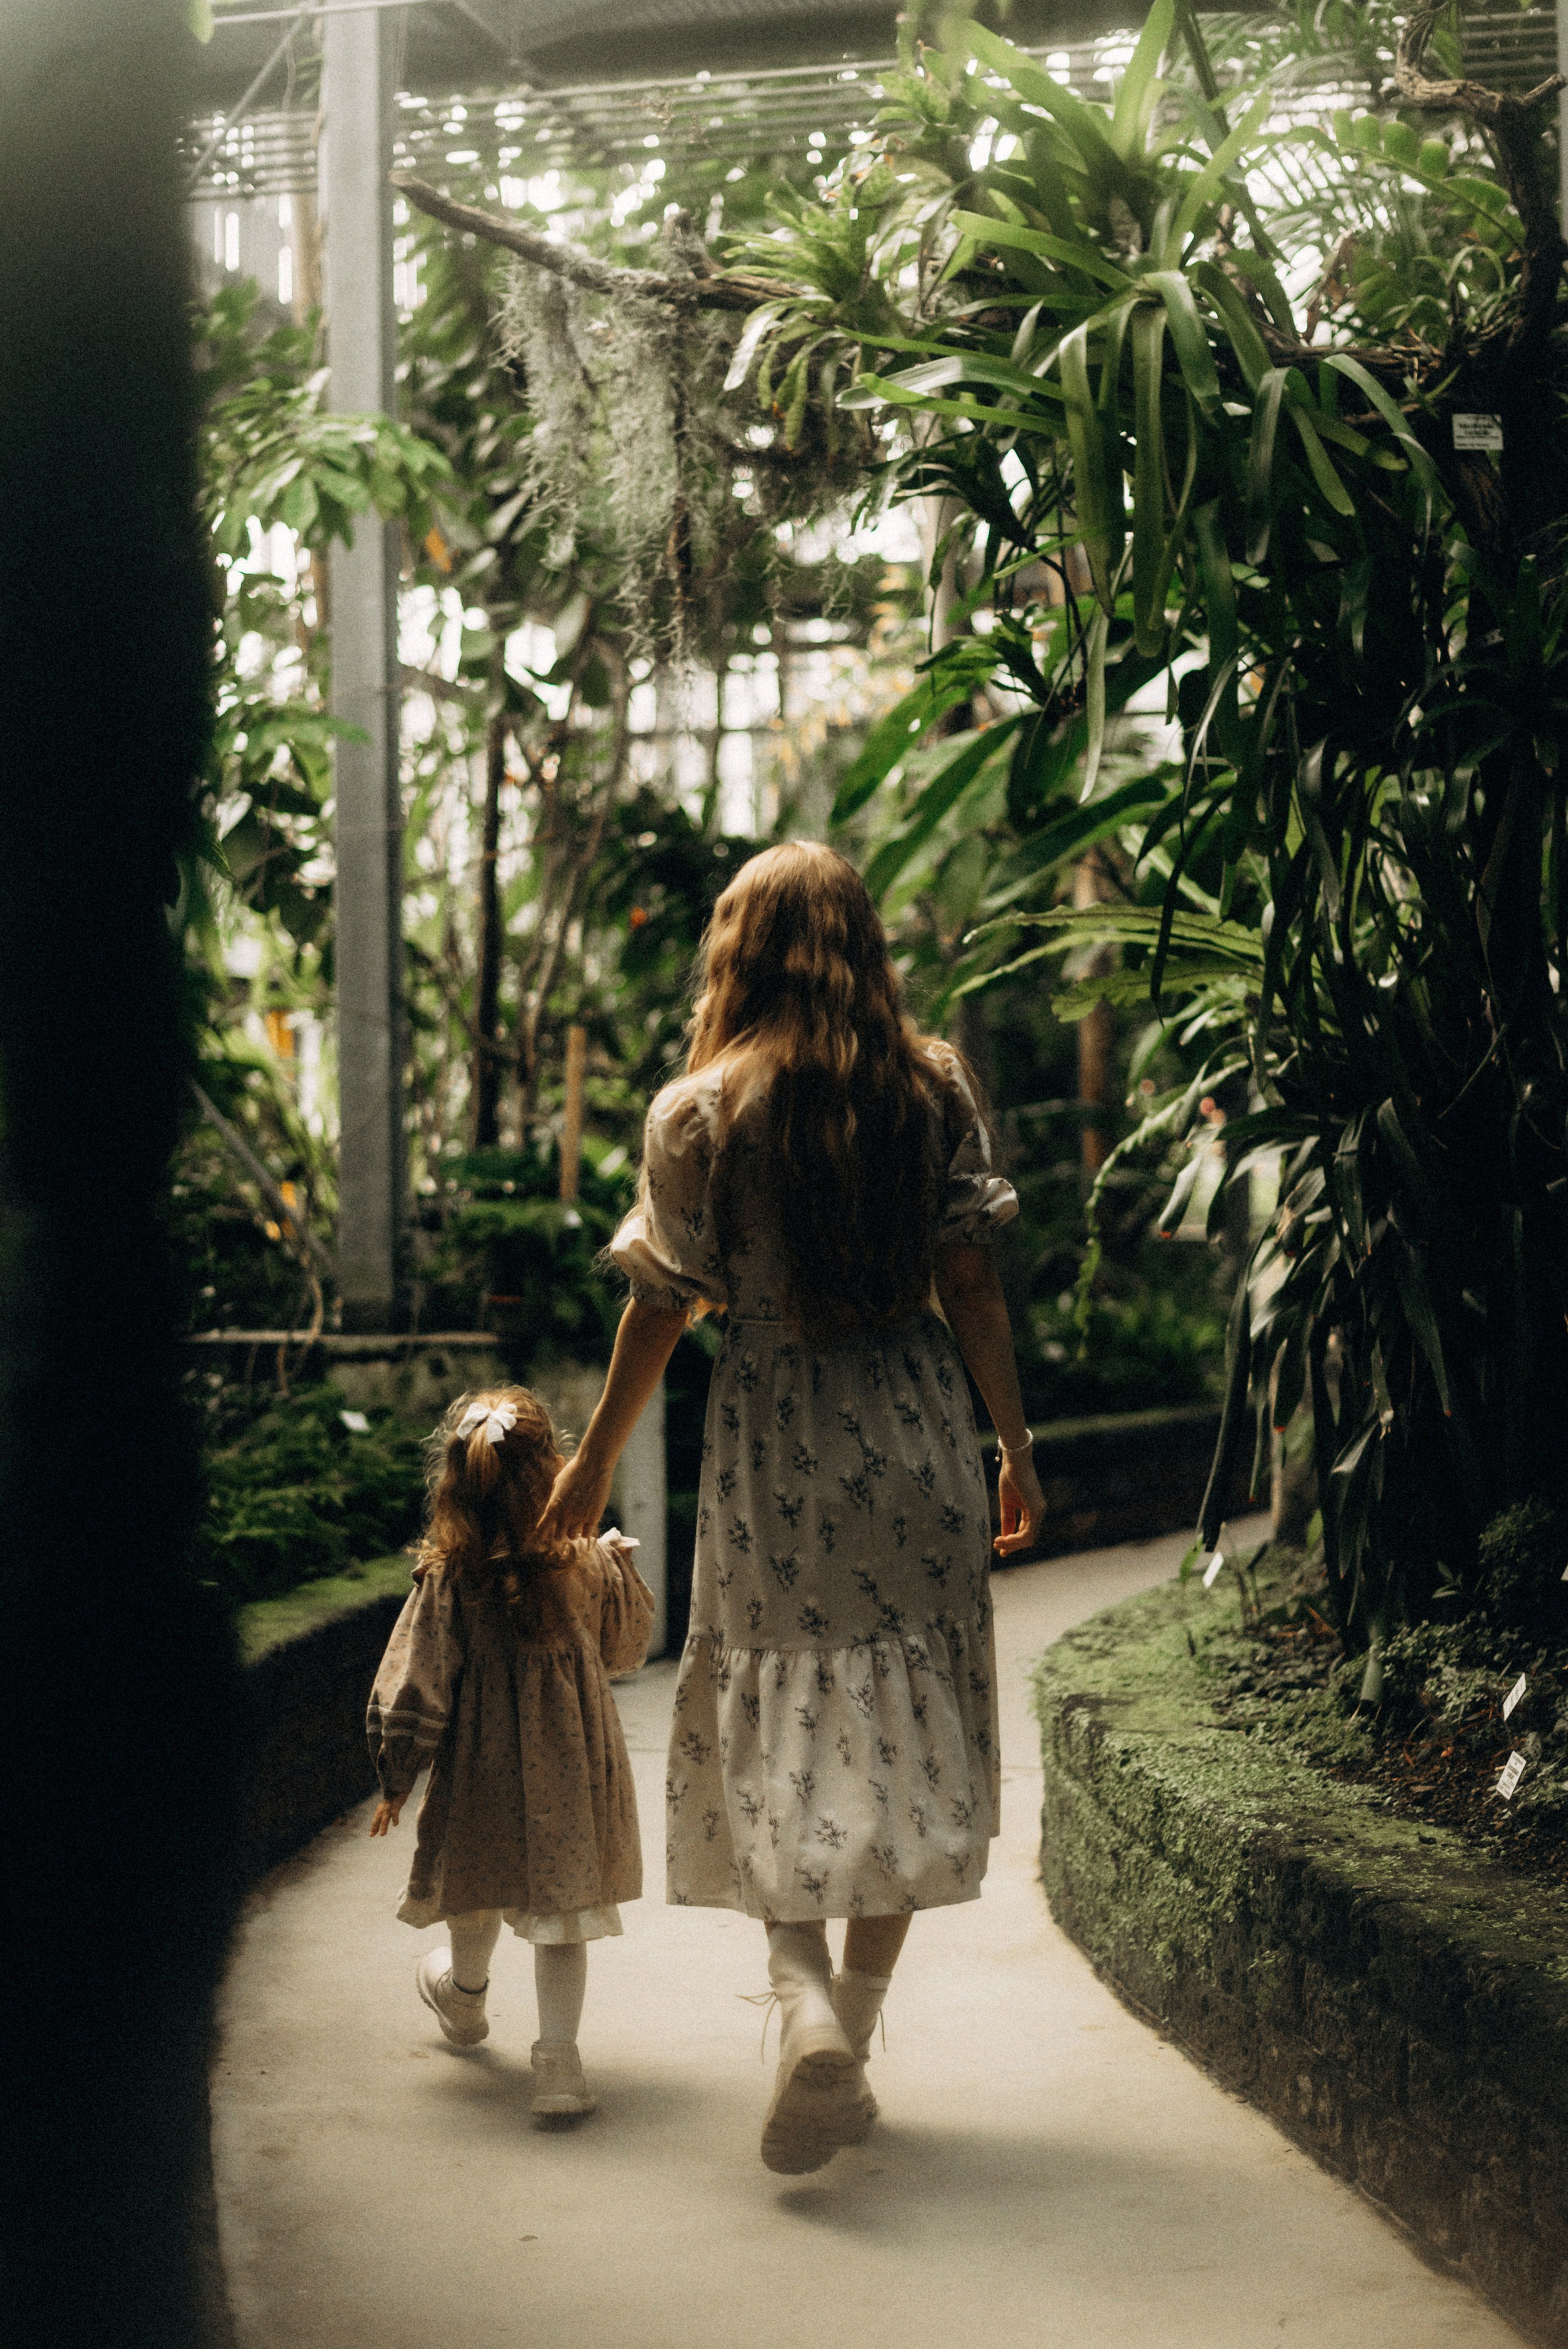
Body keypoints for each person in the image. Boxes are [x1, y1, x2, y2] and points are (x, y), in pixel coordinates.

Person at [538, 841, 1045, 2174]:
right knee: (908, 1732)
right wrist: (1014, 1448)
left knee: (770, 1719)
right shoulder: (931, 1089)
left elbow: (661, 1305)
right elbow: (973, 1285)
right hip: (917, 1432)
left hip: (778, 1451)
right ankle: (849, 2032)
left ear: (737, 952)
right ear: (861, 943)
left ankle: (806, 2003)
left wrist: (591, 1461)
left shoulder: (697, 1111)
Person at [367, 1386, 654, 2117]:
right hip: (571, 1766)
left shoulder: (450, 1579)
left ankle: (464, 2000)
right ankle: (558, 2064)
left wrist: (396, 1774)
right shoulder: (583, 1561)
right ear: (552, 1468)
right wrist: (613, 1567)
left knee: (477, 1886)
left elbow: (417, 1684)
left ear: (457, 1484)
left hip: (482, 1767)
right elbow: (625, 1652)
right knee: (561, 1910)